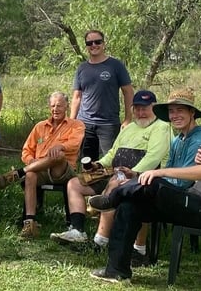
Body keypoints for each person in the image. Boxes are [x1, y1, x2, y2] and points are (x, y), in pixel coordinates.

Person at [86, 99, 201, 283]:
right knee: (130, 206)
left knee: (153, 183)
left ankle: (111, 199)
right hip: (194, 202)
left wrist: (159, 171)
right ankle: (116, 271)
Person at [51, 90, 170, 252]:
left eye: (145, 108)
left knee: (115, 182)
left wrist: (133, 172)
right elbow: (113, 153)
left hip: (140, 177)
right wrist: (98, 165)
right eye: (137, 109)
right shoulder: (129, 128)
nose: (141, 113)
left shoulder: (161, 127)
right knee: (75, 183)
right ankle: (77, 230)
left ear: (154, 107)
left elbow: (154, 158)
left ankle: (100, 241)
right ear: (132, 109)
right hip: (112, 172)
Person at [0, 91, 85, 239]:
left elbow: (75, 144)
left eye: (59, 106)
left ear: (67, 106)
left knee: (58, 156)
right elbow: (26, 150)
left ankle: (18, 173)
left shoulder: (76, 125)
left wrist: (61, 146)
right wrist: (31, 162)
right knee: (31, 174)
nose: (56, 109)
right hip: (40, 170)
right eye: (53, 106)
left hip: (63, 170)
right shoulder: (40, 126)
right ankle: (30, 222)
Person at [71, 30, 134, 161]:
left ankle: (110, 182)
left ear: (104, 44)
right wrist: (71, 121)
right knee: (87, 162)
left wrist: (128, 118)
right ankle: (89, 182)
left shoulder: (115, 65)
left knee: (111, 161)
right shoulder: (82, 68)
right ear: (86, 46)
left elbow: (128, 92)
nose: (93, 45)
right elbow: (77, 97)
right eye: (89, 43)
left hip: (108, 124)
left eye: (97, 42)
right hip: (85, 123)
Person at [153, 88, 201, 190]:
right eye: (171, 111)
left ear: (192, 112)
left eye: (180, 110)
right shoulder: (177, 140)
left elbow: (183, 182)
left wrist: (154, 178)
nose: (175, 116)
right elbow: (168, 170)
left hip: (192, 197)